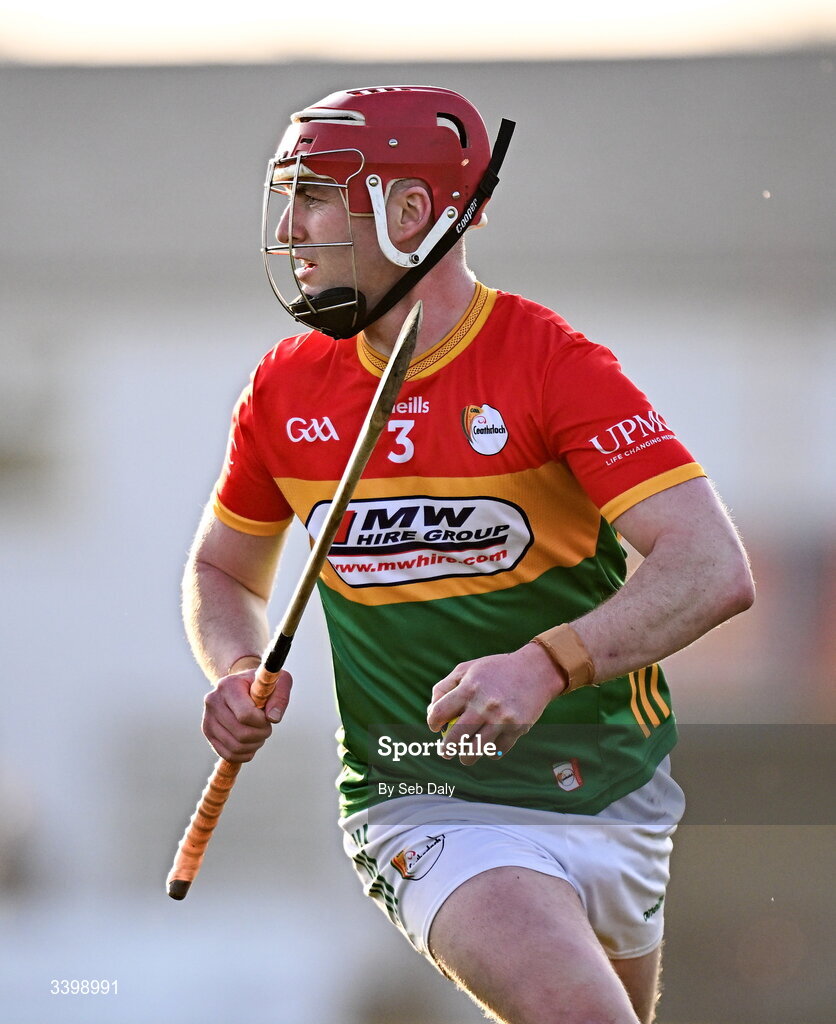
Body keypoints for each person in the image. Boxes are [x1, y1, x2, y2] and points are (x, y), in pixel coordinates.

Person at [182, 85, 754, 1024]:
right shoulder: (285, 393)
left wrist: (546, 665)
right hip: (423, 794)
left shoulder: (553, 366)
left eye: (319, 194)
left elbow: (709, 568)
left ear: (411, 211)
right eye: (290, 195)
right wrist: (236, 665)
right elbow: (221, 572)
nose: (293, 224)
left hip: (612, 784)